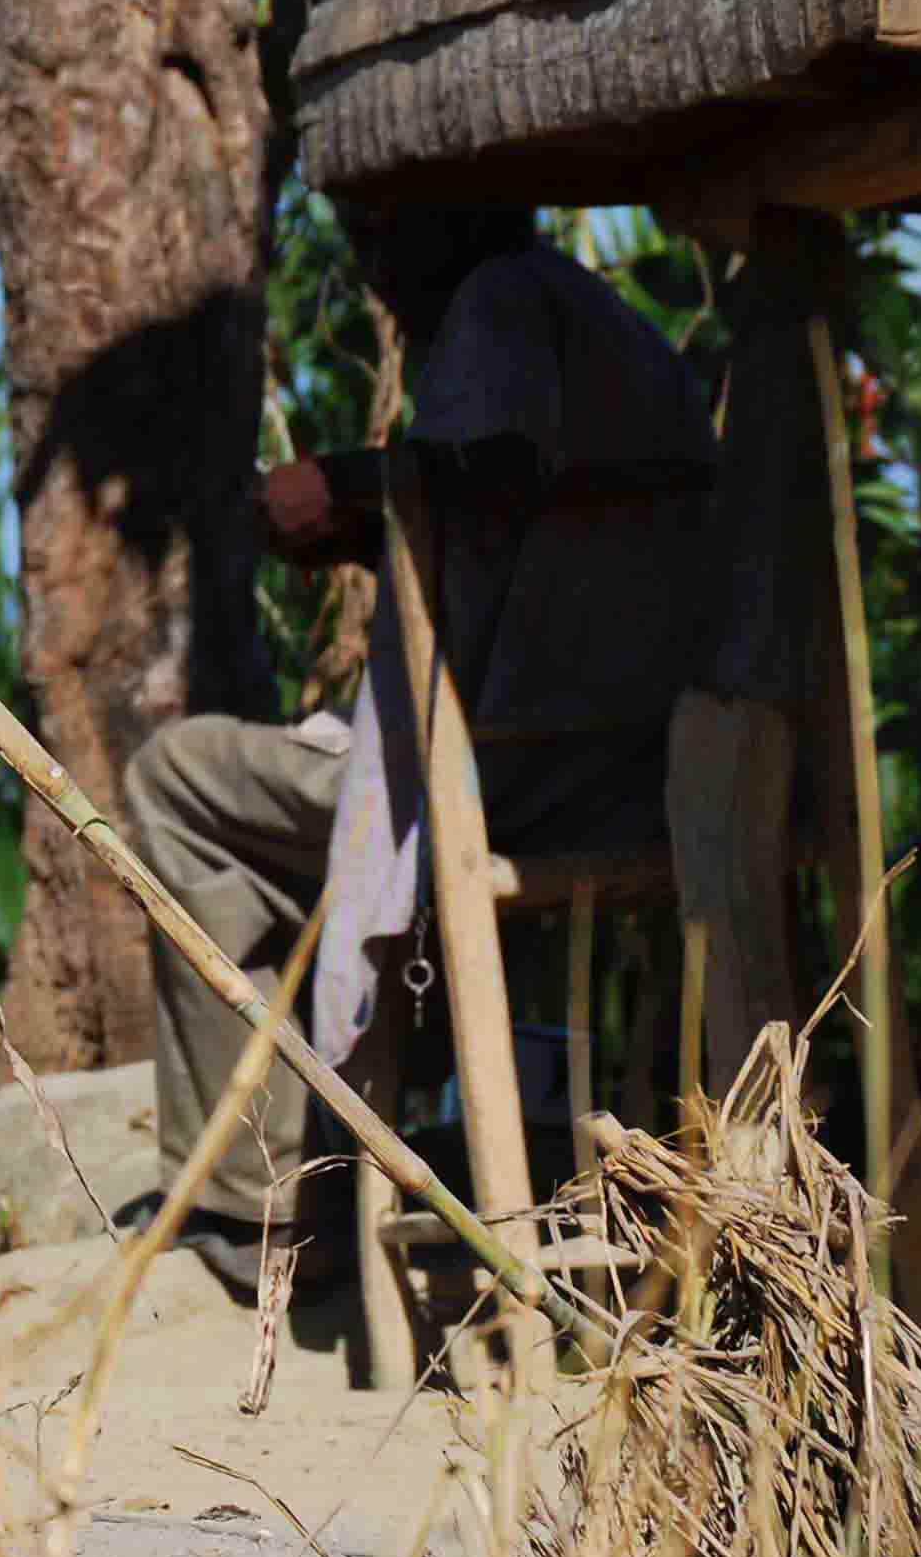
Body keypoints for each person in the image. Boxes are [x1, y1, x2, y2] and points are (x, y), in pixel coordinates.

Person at [118, 206, 716, 1291]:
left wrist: (346, 484)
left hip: (497, 779)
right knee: (297, 829)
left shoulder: (495, 305)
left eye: (378, 237)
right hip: (630, 767)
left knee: (176, 778)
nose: (372, 270)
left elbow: (493, 470)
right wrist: (362, 531)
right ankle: (329, 1142)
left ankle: (259, 1196)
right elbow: (522, 527)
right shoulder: (610, 327)